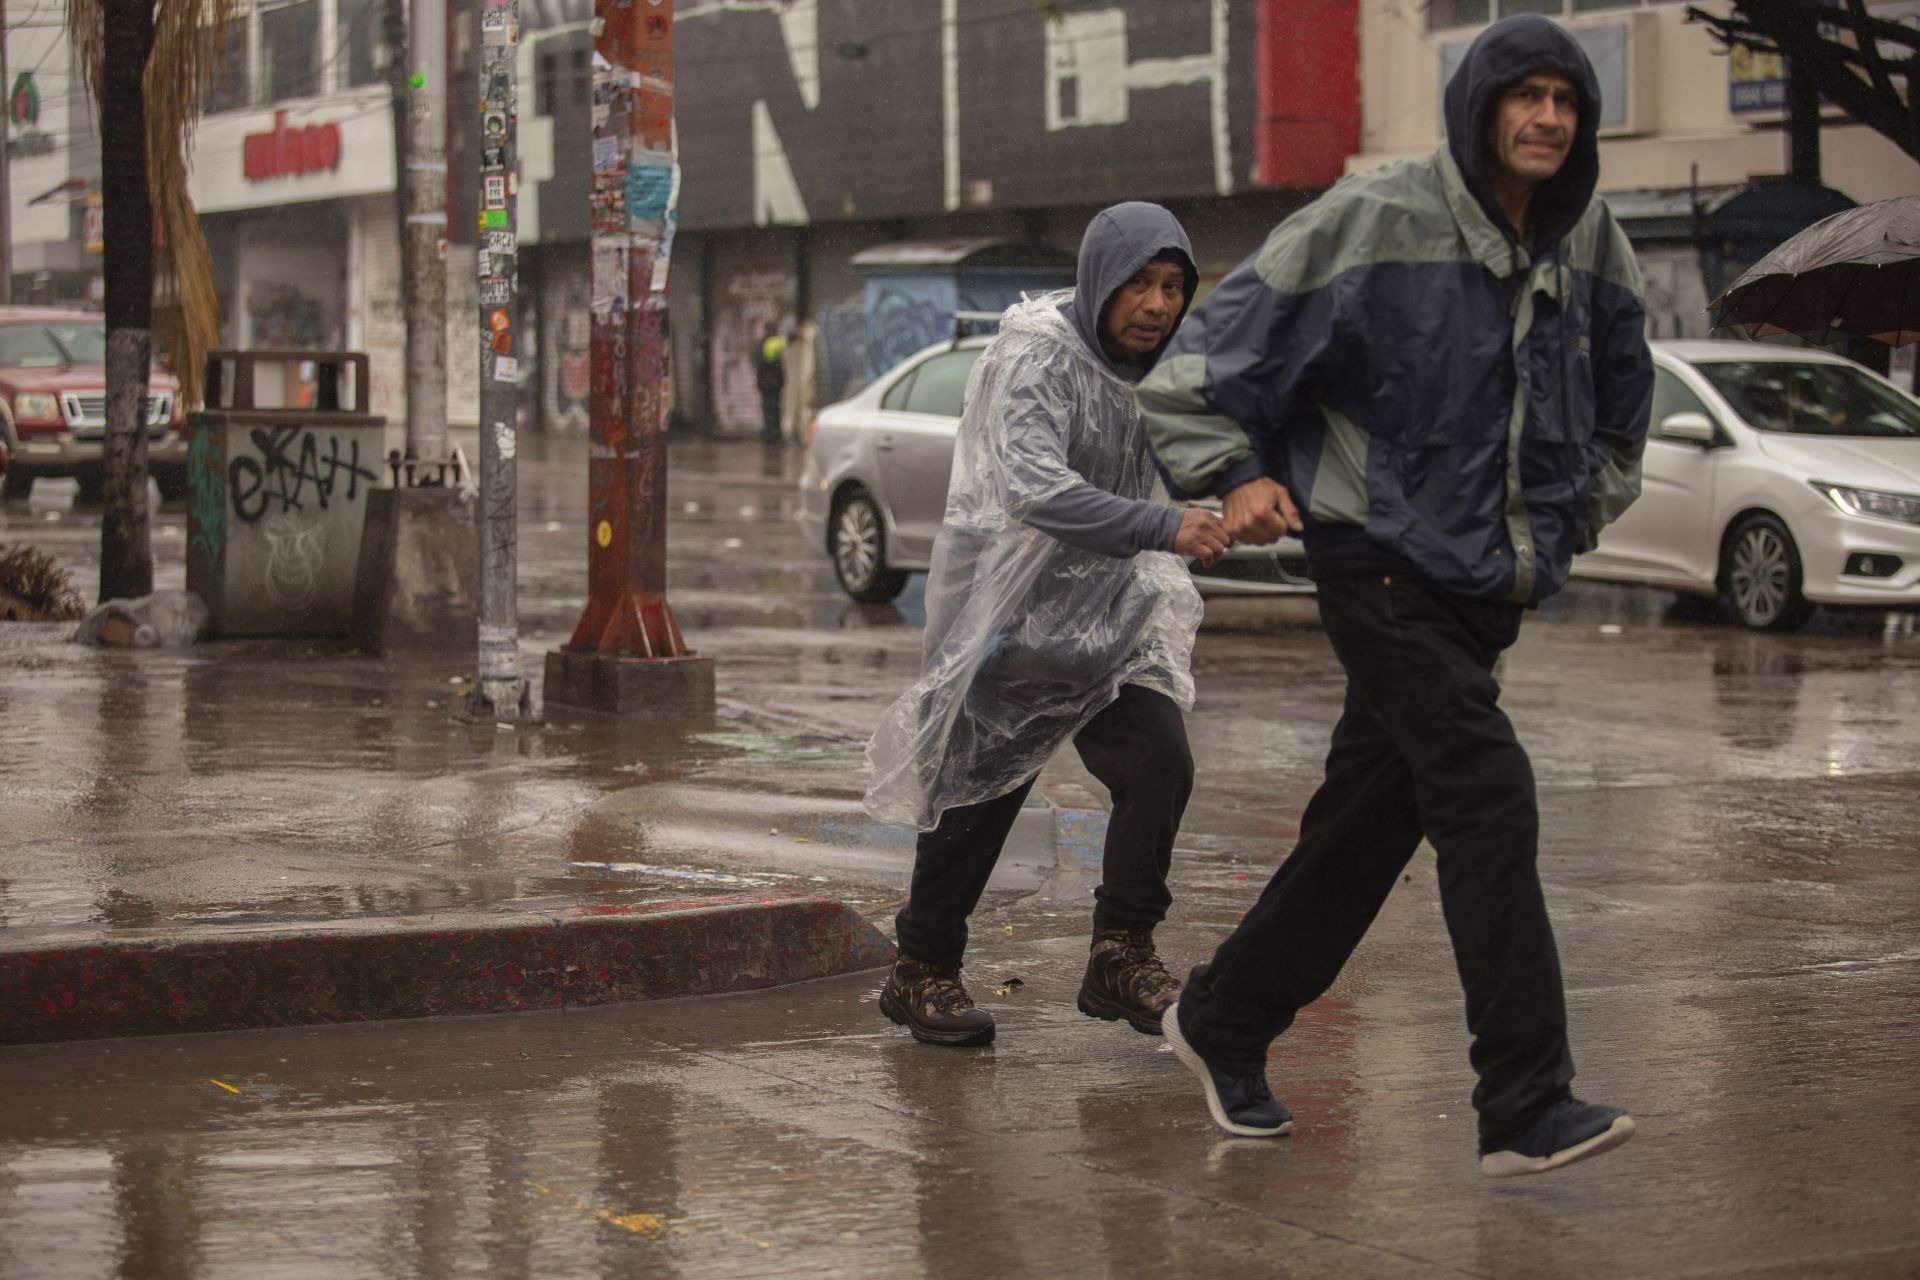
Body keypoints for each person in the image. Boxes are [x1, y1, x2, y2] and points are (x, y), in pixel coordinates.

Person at [1135, 14, 1654, 1177]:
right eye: (1523, 96)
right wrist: (1240, 475)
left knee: (1366, 830)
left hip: (1485, 589)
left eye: (1565, 101)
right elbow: (1190, 375)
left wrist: (1571, 517)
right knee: (1486, 787)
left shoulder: (1594, 246)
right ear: (1476, 108)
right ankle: (1524, 1099)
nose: (1547, 119)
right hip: (1375, 560)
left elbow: (1628, 411)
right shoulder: (1373, 220)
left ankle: (1221, 1018)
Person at [866, 202, 1229, 1047]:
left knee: (1160, 764)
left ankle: (1120, 953)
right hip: (1008, 615)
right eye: (1140, 283)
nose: (1158, 305)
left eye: (1174, 287)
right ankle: (921, 971)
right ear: (1102, 277)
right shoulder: (1035, 354)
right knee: (975, 801)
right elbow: (1032, 484)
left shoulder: (1163, 367)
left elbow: (1202, 444)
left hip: (1111, 617)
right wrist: (1162, 526)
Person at [756, 321, 787, 444]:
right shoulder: (770, 344)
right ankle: (772, 437)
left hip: (765, 384)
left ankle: (770, 435)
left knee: (768, 409)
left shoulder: (760, 345)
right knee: (773, 411)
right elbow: (785, 343)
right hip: (771, 384)